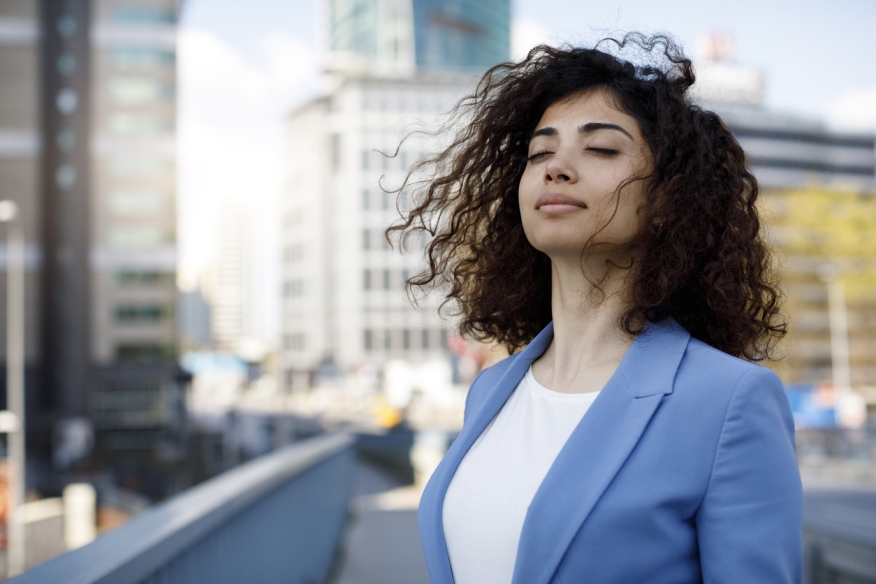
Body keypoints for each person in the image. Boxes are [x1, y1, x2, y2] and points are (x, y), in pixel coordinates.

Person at [389, 33, 802, 584]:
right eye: (540, 152)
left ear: (666, 200)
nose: (556, 166)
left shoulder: (730, 402)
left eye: (601, 148)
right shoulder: (492, 390)